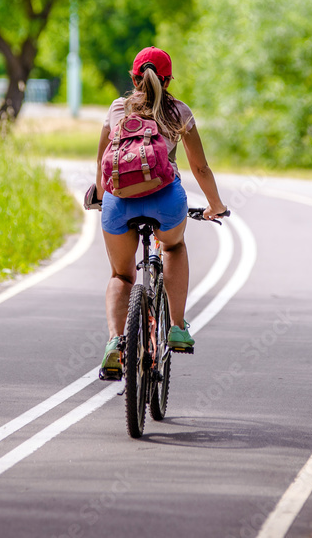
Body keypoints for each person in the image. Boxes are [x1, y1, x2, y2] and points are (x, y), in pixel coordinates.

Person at [89, 46, 227, 378]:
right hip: (166, 202)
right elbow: (201, 168)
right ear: (168, 80)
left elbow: (102, 163)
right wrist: (216, 206)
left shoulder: (117, 109)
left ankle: (114, 343)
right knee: (174, 246)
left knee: (122, 276)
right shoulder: (178, 111)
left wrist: (100, 197)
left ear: (133, 77)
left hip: (118, 204)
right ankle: (177, 327)